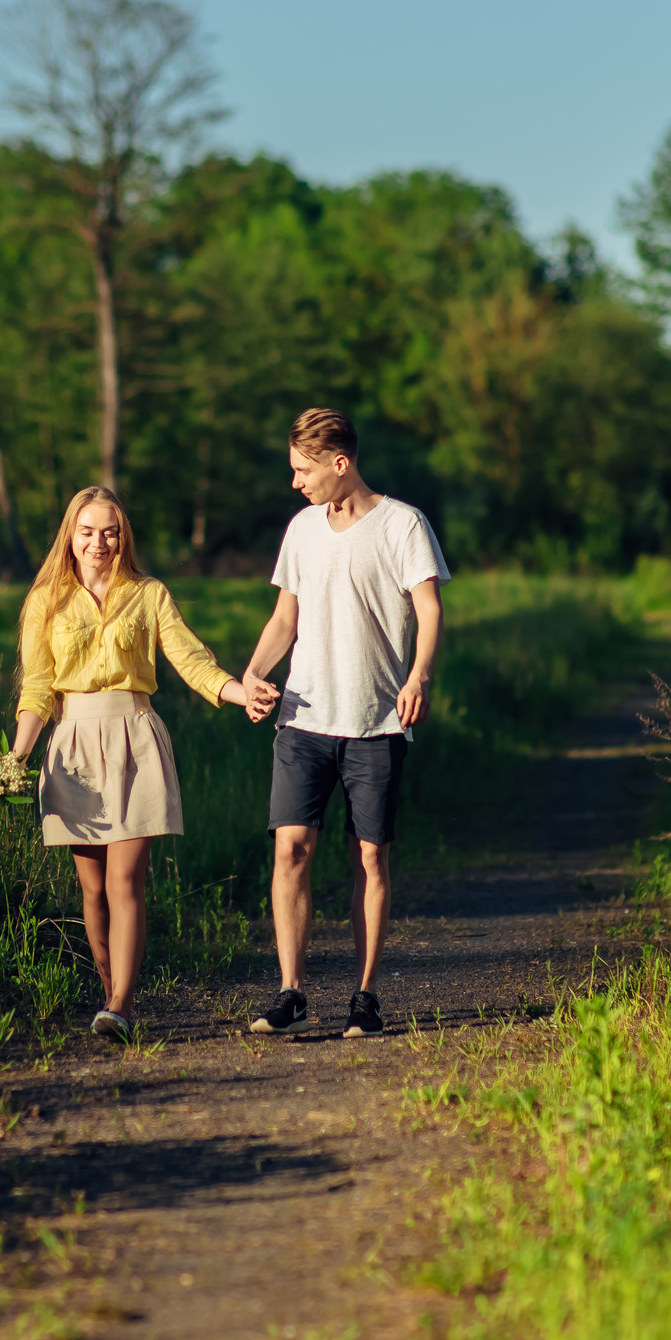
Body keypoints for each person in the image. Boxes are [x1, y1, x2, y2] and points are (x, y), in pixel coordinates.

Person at [12, 486, 253, 1042]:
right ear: (70, 536)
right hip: (71, 746)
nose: (100, 542)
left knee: (126, 880)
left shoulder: (148, 594)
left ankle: (121, 1003)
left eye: (110, 531)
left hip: (134, 737)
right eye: (88, 531)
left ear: (124, 536)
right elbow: (37, 688)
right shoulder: (44, 600)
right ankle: (110, 997)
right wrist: (16, 758)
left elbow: (190, 659)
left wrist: (238, 694)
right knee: (91, 889)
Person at [237, 408, 448, 1039]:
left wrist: (419, 676)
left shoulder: (403, 523)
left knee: (370, 857)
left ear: (340, 462)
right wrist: (251, 674)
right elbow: (284, 618)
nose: (296, 483)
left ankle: (365, 996)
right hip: (303, 716)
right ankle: (291, 991)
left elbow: (429, 608)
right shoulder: (301, 530)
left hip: (376, 720)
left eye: (303, 470)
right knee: (290, 848)